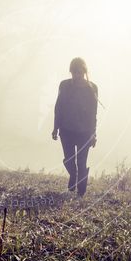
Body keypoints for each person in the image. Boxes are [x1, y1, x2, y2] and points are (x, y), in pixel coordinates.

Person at [52, 57, 98, 197]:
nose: (76, 75)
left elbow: (93, 113)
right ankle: (73, 177)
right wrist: (55, 127)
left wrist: (93, 134)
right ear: (70, 72)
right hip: (66, 130)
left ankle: (81, 192)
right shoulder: (64, 85)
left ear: (84, 72)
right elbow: (58, 107)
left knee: (82, 162)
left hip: (84, 132)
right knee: (69, 159)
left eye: (79, 72)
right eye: (74, 72)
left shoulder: (92, 88)